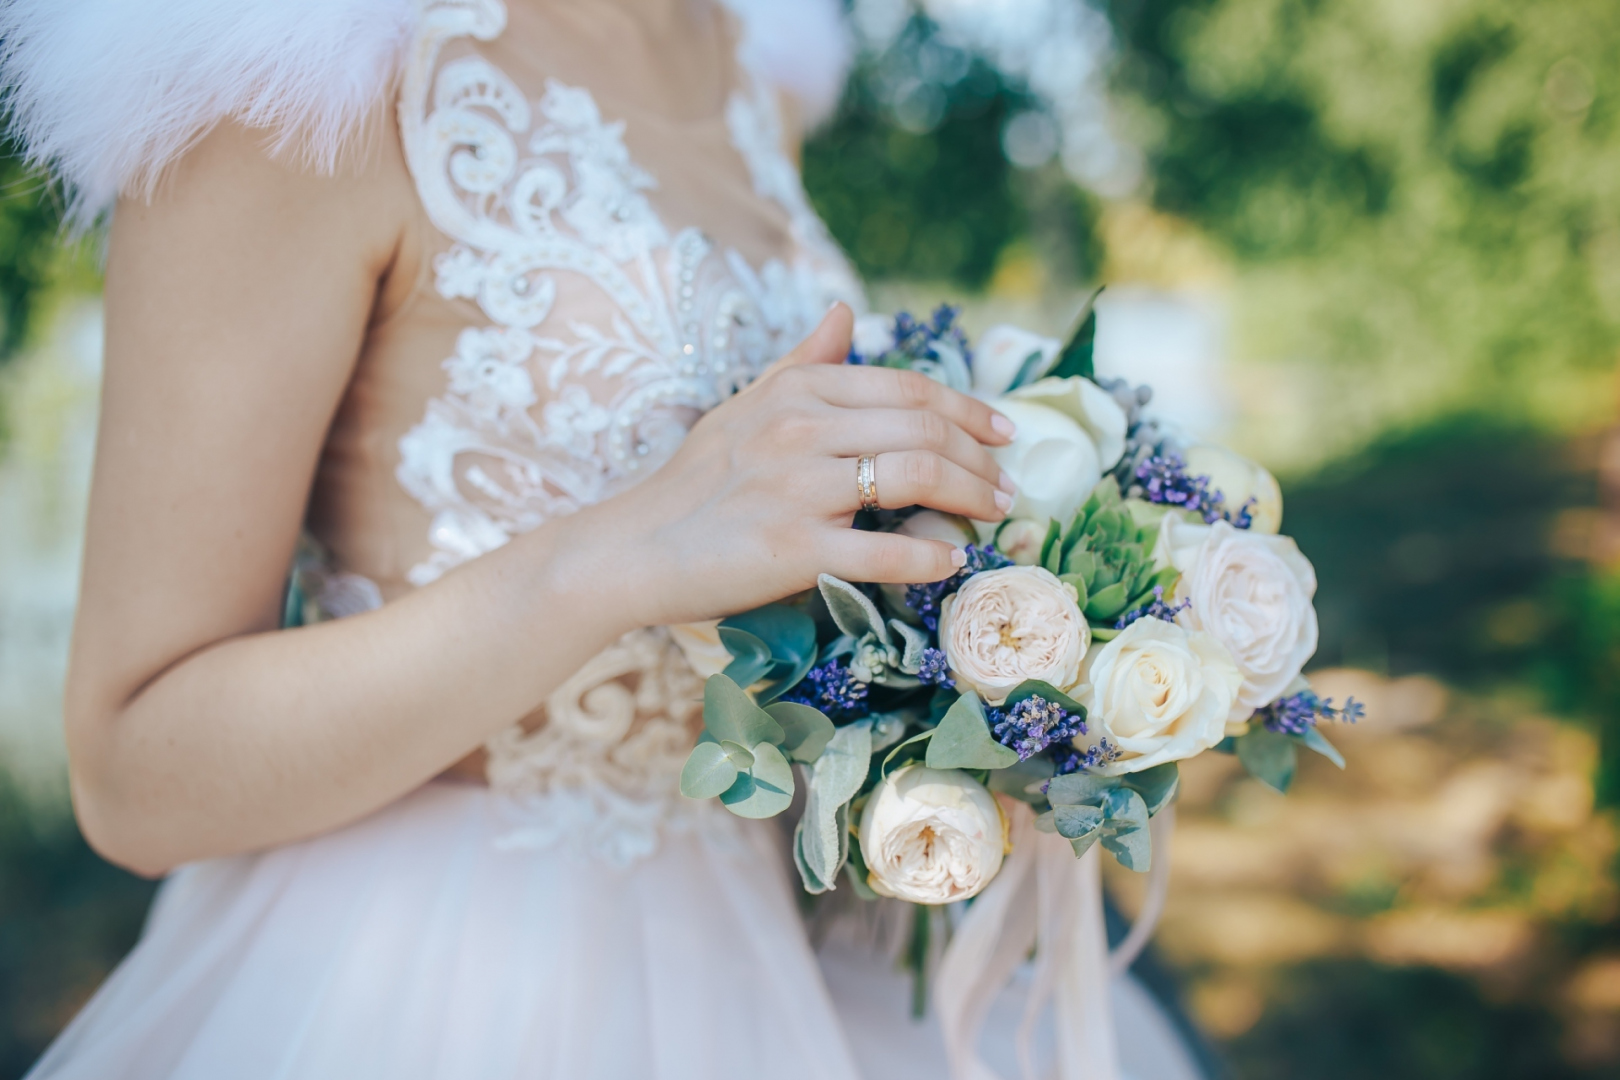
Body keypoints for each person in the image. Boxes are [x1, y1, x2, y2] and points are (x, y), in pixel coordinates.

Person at [4, 1, 1206, 1076]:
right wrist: (621, 555)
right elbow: (132, 772)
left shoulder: (750, 53)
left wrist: (971, 668)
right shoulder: (285, 62)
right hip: (442, 978)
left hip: (770, 935)